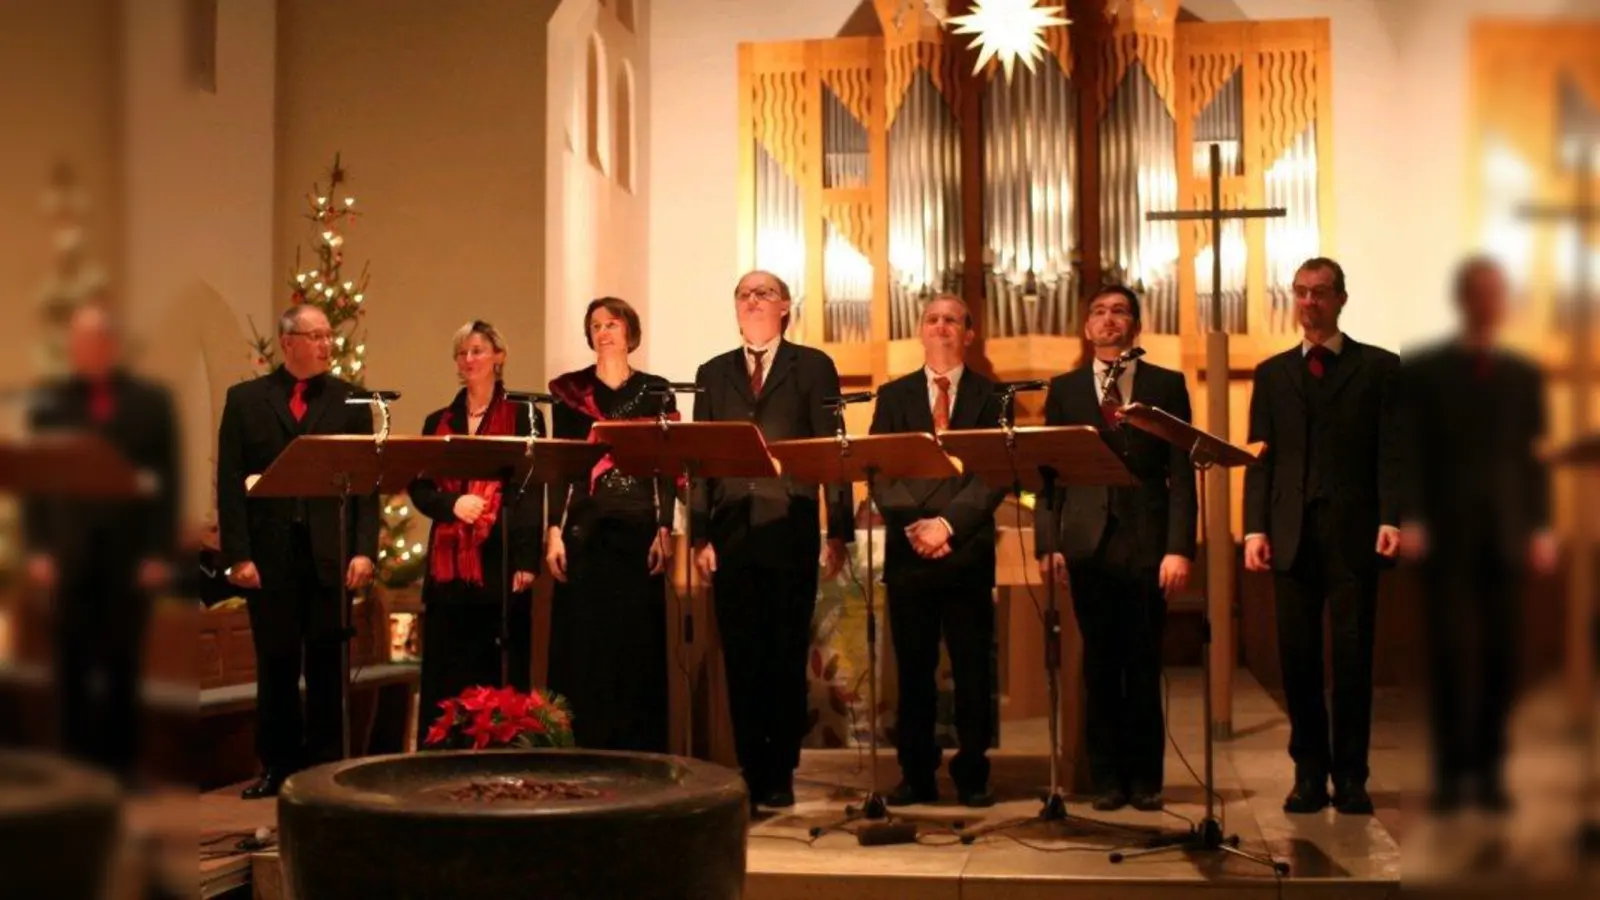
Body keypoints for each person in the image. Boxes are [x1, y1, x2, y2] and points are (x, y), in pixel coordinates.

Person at [1243, 257, 1402, 816]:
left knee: (1354, 660)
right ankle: (1309, 774)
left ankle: (1352, 776)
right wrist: (1254, 526)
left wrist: (1391, 517)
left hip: (1355, 535)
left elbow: (1391, 450)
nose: (1309, 302)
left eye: (1320, 292)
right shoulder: (1272, 373)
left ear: (1341, 299)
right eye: (1301, 292)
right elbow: (1260, 458)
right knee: (1299, 661)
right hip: (1291, 536)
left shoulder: (1380, 368)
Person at [691, 270, 853, 809]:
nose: (753, 300)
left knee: (784, 654)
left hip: (790, 526)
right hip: (732, 531)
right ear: (736, 309)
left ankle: (780, 769)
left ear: (785, 306)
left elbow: (836, 450)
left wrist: (842, 530)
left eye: (764, 293)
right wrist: (699, 534)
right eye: (744, 294)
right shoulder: (712, 374)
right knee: (741, 656)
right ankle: (749, 766)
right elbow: (699, 463)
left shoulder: (812, 366)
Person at [1402, 255, 1555, 812]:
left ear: (1502, 302)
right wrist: (1412, 515)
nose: (1488, 302)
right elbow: (1412, 452)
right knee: (1448, 656)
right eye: (1479, 292)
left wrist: (1541, 526)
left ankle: (1490, 772)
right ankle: (1450, 774)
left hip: (1507, 533)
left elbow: (1533, 460)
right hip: (1445, 534)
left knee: (1503, 657)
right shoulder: (1425, 370)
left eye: (1496, 292)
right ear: (1463, 300)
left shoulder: (1523, 374)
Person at [1034, 284, 1196, 812]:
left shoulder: (1166, 385)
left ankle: (1145, 779)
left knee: (1144, 662)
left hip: (1148, 544)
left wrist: (1180, 548)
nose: (1109, 319)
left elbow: (1181, 474)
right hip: (1086, 543)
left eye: (1120, 311)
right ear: (1087, 328)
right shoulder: (1065, 389)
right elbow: (1048, 476)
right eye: (1099, 312)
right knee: (1099, 663)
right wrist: (1048, 543)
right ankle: (1106, 779)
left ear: (1136, 325)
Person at [217, 304, 378, 799]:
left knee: (329, 666)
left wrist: (364, 551)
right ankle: (277, 767)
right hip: (270, 560)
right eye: (316, 336)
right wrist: (238, 555)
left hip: (329, 555)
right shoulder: (246, 401)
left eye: (330, 335)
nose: (328, 344)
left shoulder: (352, 402)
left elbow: (367, 486)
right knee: (278, 664)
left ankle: (327, 767)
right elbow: (228, 483)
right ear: (288, 343)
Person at [22, 303, 179, 783]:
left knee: (121, 667)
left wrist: (158, 551)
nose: (84, 351)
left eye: (93, 342)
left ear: (110, 345)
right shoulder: (51, 404)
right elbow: (35, 478)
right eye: (77, 343)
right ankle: (73, 773)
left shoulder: (151, 402)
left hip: (128, 555)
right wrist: (39, 548)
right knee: (70, 669)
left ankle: (119, 772)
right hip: (69, 553)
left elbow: (168, 481)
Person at [868, 294, 1005, 808]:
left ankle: (973, 772)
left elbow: (993, 474)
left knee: (973, 670)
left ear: (968, 334)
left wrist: (947, 524)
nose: (942, 326)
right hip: (910, 554)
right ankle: (916, 774)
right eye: (933, 319)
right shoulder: (894, 395)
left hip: (966, 550)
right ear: (920, 331)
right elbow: (878, 470)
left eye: (953, 320)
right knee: (914, 672)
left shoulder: (993, 398)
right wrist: (916, 526)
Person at [545, 297, 674, 753]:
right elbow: (559, 467)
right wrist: (553, 531)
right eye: (596, 325)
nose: (604, 332)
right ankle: (585, 749)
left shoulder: (656, 390)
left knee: (636, 646)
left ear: (630, 332)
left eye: (613, 323)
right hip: (585, 530)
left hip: (638, 530)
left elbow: (666, 467)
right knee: (586, 646)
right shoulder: (569, 395)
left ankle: (638, 752)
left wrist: (664, 528)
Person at [408, 320, 544, 748]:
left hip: (499, 556)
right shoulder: (438, 420)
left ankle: (501, 748)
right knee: (449, 658)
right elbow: (419, 486)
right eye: (462, 353)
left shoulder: (523, 414)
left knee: (499, 656)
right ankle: (445, 748)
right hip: (449, 566)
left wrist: (526, 559)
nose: (469, 359)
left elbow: (529, 490)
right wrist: (452, 506)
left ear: (499, 357)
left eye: (478, 350)